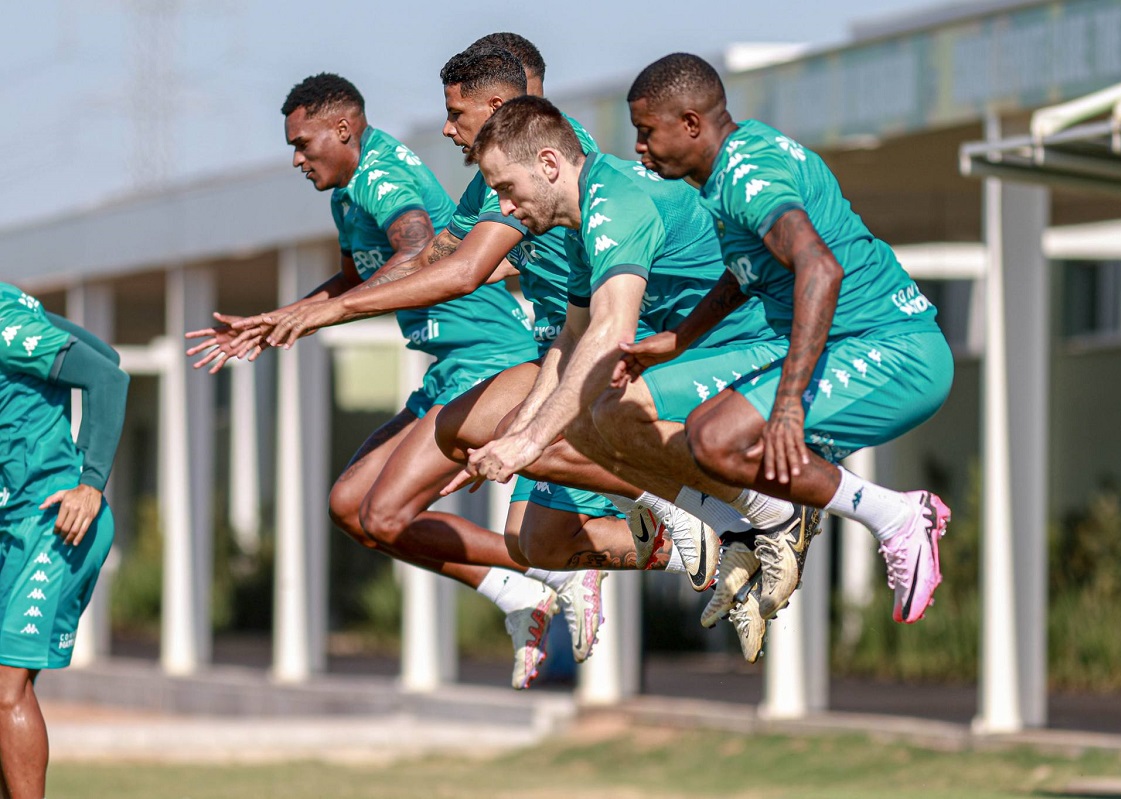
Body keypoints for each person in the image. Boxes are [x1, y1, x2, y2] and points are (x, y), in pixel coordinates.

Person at [237, 41, 718, 595]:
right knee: (533, 542)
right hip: (561, 347)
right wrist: (299, 313)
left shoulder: (536, 167)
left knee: (463, 455)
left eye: (454, 113)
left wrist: (335, 311)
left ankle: (693, 505)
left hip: (610, 351)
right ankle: (697, 541)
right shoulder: (486, 185)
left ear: (495, 110)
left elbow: (463, 271)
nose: (445, 128)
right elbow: (437, 257)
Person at [184, 71, 599, 690]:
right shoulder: (346, 195)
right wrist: (284, 317)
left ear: (344, 129)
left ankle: (557, 570)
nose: (297, 158)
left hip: (489, 361)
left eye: (303, 143)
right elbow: (354, 279)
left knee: (385, 514)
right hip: (446, 369)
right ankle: (517, 591)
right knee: (350, 508)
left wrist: (319, 315)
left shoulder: (383, 177)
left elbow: (417, 248)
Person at [459, 95, 830, 661]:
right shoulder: (582, 217)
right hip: (697, 354)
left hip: (760, 350)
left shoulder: (613, 203)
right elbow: (574, 337)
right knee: (538, 495)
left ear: (551, 164)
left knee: (592, 414)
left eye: (507, 189)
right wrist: (521, 437)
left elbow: (608, 333)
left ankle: (767, 513)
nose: (504, 208)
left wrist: (528, 440)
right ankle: (727, 523)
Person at [621, 53, 953, 625]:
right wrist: (680, 338)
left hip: (897, 352)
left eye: (647, 132)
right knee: (705, 434)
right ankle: (773, 519)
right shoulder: (731, 171)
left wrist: (790, 404)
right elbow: (746, 273)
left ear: (692, 123)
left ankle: (897, 517)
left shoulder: (748, 175)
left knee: (722, 441)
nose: (639, 148)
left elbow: (819, 269)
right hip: (854, 344)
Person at [0, 282, 129, 799]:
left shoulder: (4, 323)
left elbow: (107, 376)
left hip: (56, 521)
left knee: (5, 688)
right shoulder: (17, 313)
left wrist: (90, 482)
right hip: (14, 526)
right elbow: (106, 351)